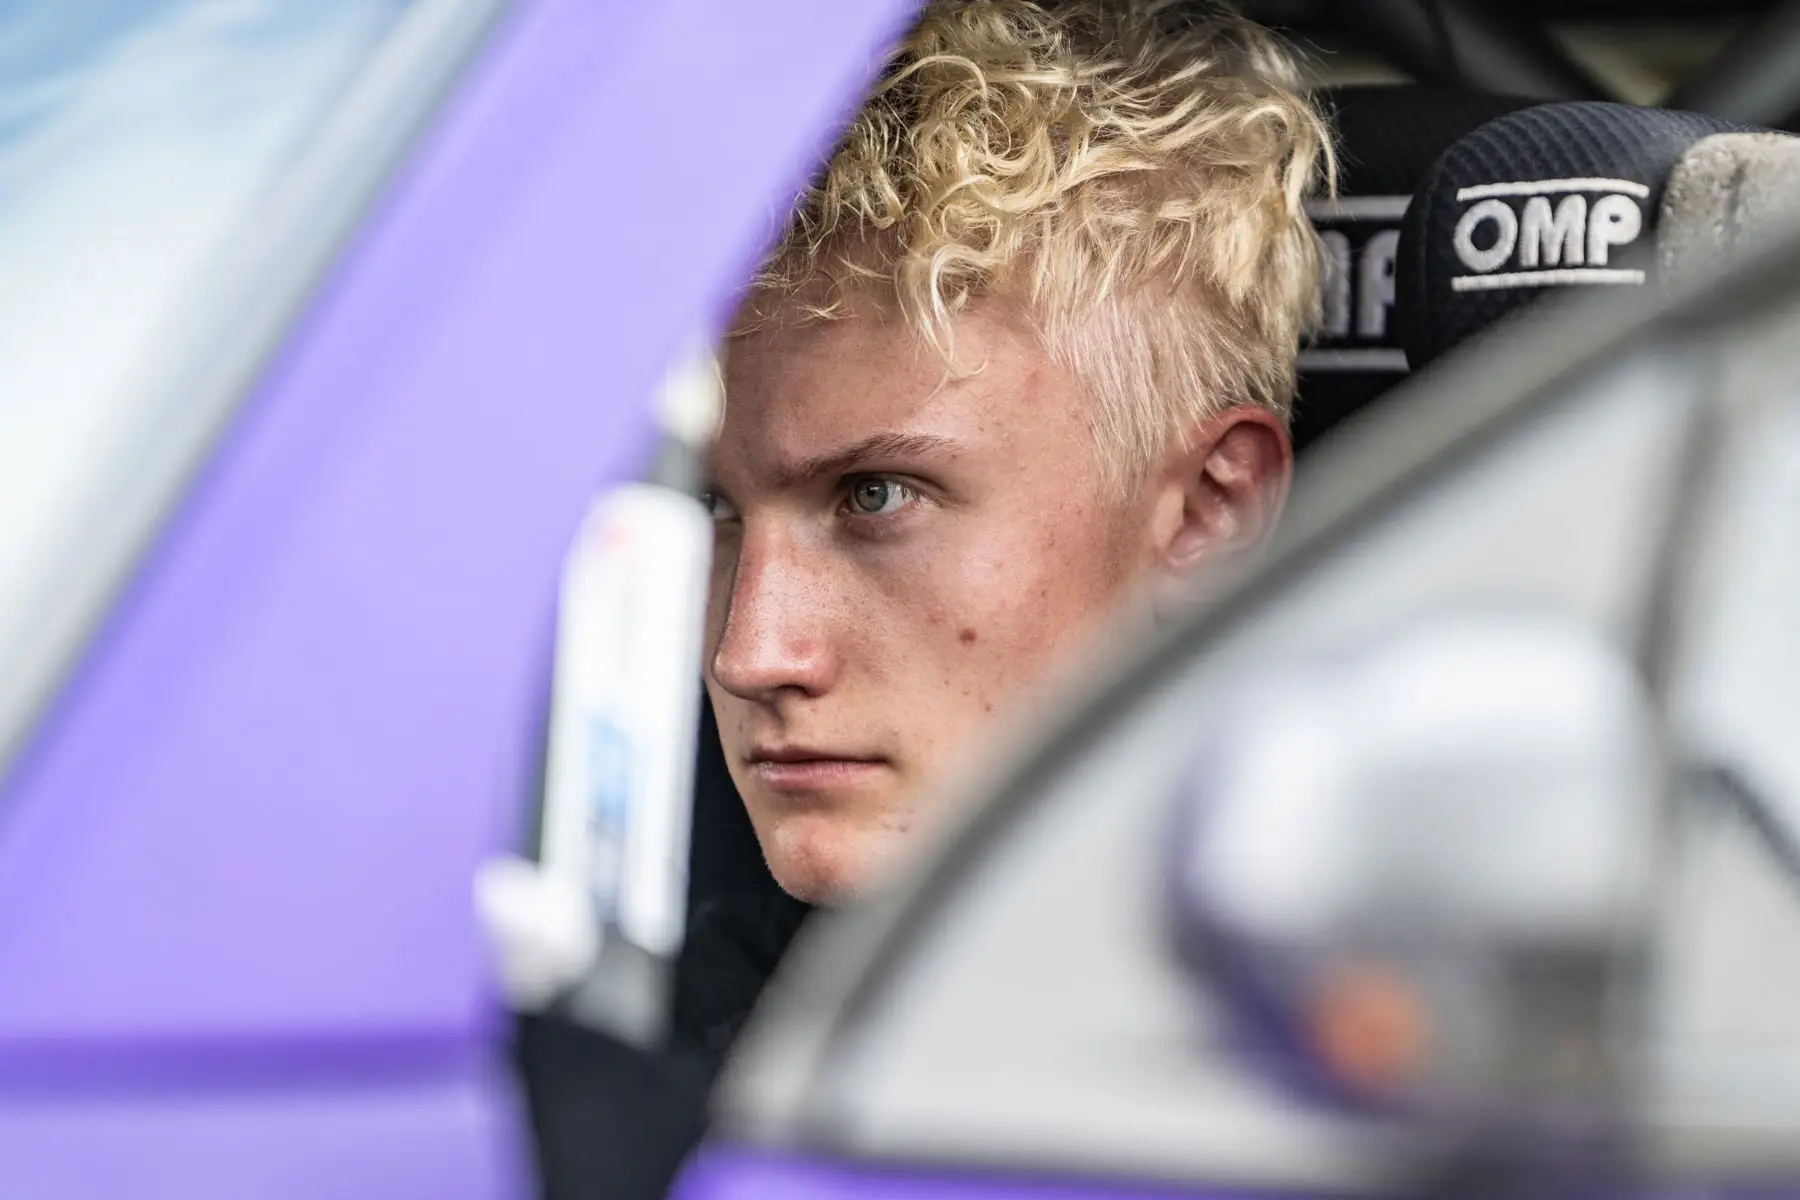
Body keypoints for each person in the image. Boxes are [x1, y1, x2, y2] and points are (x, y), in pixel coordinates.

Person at [675, 0, 1332, 1068]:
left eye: (876, 496)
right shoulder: (640, 1014)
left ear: (1209, 512)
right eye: (715, 508)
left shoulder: (1380, 1072)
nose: (749, 655)